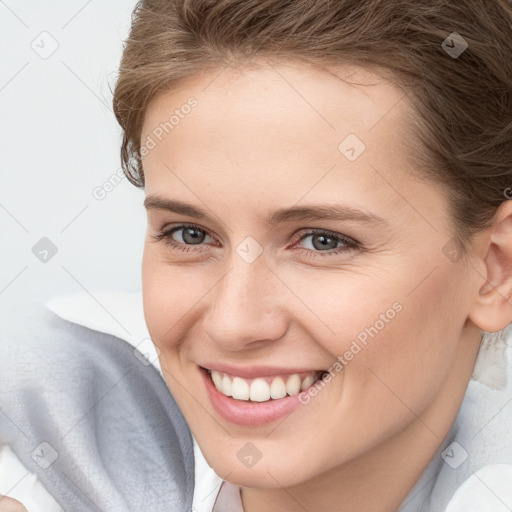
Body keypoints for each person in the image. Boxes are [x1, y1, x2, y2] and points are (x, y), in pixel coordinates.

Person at [1, 0, 512, 510]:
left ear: (495, 269)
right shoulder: (39, 429)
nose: (233, 323)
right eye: (191, 235)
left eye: (322, 241)